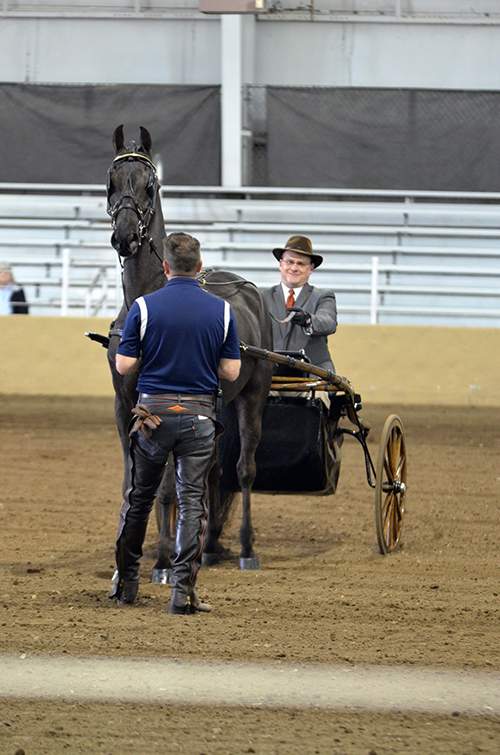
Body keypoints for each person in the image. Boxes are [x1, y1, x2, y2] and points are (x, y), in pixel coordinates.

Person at [111, 232, 241, 615]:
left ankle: (128, 585)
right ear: (199, 268)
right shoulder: (222, 311)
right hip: (199, 420)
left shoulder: (144, 307)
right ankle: (182, 593)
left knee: (138, 501)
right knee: (191, 505)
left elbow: (123, 366)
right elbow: (232, 371)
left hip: (153, 417)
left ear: (164, 267)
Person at [263, 235, 337, 371]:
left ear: (311, 268)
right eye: (289, 262)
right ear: (281, 264)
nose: (294, 268)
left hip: (314, 374)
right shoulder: (262, 297)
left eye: (301, 263)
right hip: (270, 375)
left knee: (321, 394)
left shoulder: (323, 296)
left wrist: (308, 320)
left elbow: (329, 323)